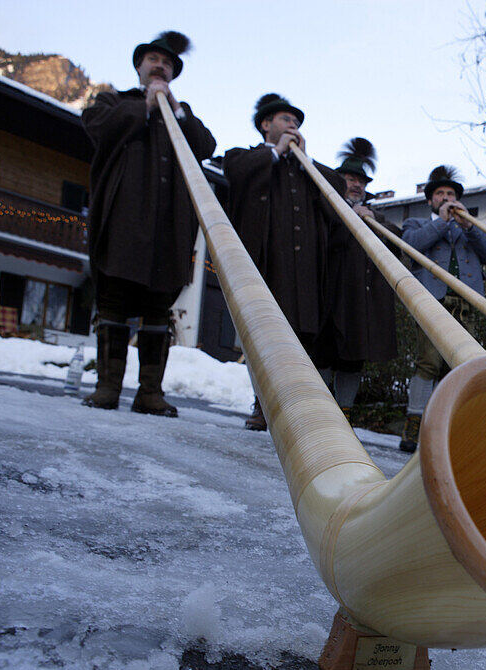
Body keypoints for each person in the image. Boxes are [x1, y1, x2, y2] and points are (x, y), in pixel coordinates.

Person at [81, 31, 216, 417]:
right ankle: (107, 386)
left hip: (169, 227)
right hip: (125, 220)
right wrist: (146, 104)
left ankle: (150, 393)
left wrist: (173, 107)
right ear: (140, 67)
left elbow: (205, 147)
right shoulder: (114, 102)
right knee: (114, 301)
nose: (161, 67)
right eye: (154, 60)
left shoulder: (179, 113)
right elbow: (98, 129)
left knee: (159, 308)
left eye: (168, 63)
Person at [223, 93, 348, 431]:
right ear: (266, 125)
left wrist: (305, 160)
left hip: (306, 271)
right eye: (285, 120)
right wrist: (275, 154)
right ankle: (264, 406)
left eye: (296, 122)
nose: (293, 125)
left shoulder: (310, 170)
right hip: (269, 264)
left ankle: (293, 409)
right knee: (268, 338)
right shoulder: (245, 158)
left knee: (302, 342)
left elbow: (337, 194)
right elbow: (234, 172)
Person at [399, 165, 486, 452]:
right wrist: (441, 222)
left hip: (464, 302)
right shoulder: (417, 223)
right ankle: (414, 423)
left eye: (451, 193)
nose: (446, 197)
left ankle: (447, 427)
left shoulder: (469, 227)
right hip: (432, 300)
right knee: (428, 361)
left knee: (459, 365)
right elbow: (411, 247)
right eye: (440, 194)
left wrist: (468, 226)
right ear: (430, 200)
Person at [311, 138, 398, 420]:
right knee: (322, 353)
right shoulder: (325, 205)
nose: (357, 184)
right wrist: (350, 217)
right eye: (350, 178)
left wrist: (372, 220)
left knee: (352, 360)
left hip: (360, 301)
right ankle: (320, 411)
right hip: (328, 293)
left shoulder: (376, 215)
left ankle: (344, 412)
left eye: (361, 180)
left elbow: (396, 241)